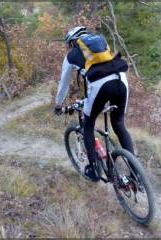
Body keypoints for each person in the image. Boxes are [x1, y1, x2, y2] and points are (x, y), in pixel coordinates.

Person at [54, 26, 135, 182]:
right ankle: (136, 174)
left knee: (88, 125)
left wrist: (58, 105)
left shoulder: (72, 55)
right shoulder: (101, 43)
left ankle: (93, 170)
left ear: (72, 42)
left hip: (101, 84)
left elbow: (64, 83)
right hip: (121, 80)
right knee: (119, 124)